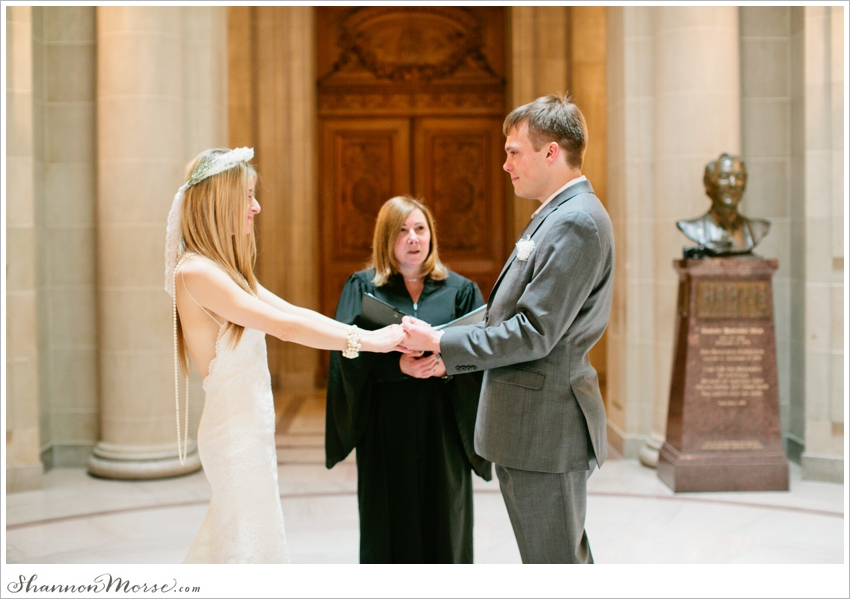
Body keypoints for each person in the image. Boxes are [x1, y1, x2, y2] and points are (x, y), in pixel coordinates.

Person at [164, 147, 405, 564]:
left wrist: (372, 333)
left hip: (251, 428)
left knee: (246, 535)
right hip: (233, 435)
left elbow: (292, 312)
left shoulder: (226, 272)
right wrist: (368, 343)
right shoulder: (196, 273)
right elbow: (285, 329)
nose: (256, 207)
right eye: (249, 196)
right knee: (246, 541)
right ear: (221, 201)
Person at [401, 94, 614, 564]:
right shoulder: (555, 215)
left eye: (514, 151)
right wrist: (443, 348)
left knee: (554, 563)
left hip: (546, 430)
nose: (504, 164)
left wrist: (441, 341)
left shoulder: (576, 221)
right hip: (530, 426)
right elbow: (507, 312)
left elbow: (534, 331)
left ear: (551, 152)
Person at [325, 195, 492, 564]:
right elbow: (345, 356)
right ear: (386, 238)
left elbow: (482, 353)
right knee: (388, 522)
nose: (413, 238)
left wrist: (445, 365)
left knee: (445, 520)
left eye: (420, 229)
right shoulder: (363, 288)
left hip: (443, 426)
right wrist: (395, 367)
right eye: (402, 231)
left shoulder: (461, 291)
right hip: (387, 425)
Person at [677, 152, 770, 255]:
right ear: (708, 183)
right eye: (724, 176)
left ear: (745, 184)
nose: (732, 184)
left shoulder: (756, 229)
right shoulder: (693, 228)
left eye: (739, 177)